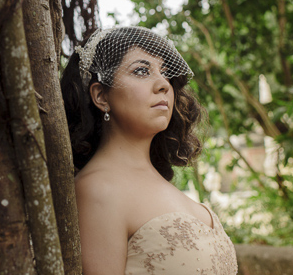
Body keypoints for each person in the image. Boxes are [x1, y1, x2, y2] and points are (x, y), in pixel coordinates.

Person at [61, 26, 237, 275]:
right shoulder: (98, 190)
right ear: (101, 96)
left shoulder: (164, 184)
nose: (164, 84)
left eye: (165, 73)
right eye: (142, 71)